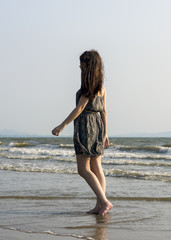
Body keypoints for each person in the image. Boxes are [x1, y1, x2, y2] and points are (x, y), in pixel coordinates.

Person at [52, 50, 113, 217]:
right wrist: (105, 134)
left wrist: (62, 125)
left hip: (86, 127)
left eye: (82, 65)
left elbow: (79, 109)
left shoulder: (88, 88)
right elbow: (104, 112)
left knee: (83, 169)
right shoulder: (102, 88)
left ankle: (105, 201)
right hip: (98, 127)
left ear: (89, 66)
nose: (80, 67)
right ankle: (100, 205)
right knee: (96, 167)